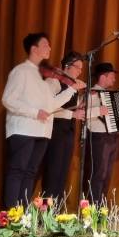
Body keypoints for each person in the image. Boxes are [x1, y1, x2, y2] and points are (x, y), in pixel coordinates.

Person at [1, 33, 86, 208]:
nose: (49, 48)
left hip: (42, 132)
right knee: (18, 171)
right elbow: (8, 99)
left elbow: (51, 105)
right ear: (34, 49)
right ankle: (11, 215)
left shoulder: (42, 76)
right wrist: (34, 112)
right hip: (23, 130)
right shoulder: (21, 71)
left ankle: (23, 215)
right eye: (45, 44)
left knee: (30, 173)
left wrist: (72, 90)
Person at [42, 51, 87, 199]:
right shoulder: (53, 82)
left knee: (62, 172)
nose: (80, 71)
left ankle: (57, 208)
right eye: (77, 67)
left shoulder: (73, 85)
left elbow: (73, 107)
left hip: (68, 131)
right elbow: (49, 108)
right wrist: (72, 114)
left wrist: (82, 102)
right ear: (67, 66)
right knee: (53, 171)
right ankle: (46, 209)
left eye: (81, 68)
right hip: (54, 131)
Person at [84, 62, 119, 202]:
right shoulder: (90, 93)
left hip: (112, 137)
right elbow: (81, 113)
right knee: (98, 173)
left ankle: (100, 206)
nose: (114, 79)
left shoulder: (110, 94)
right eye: (112, 76)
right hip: (98, 137)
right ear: (103, 77)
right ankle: (93, 206)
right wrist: (99, 111)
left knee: (107, 174)